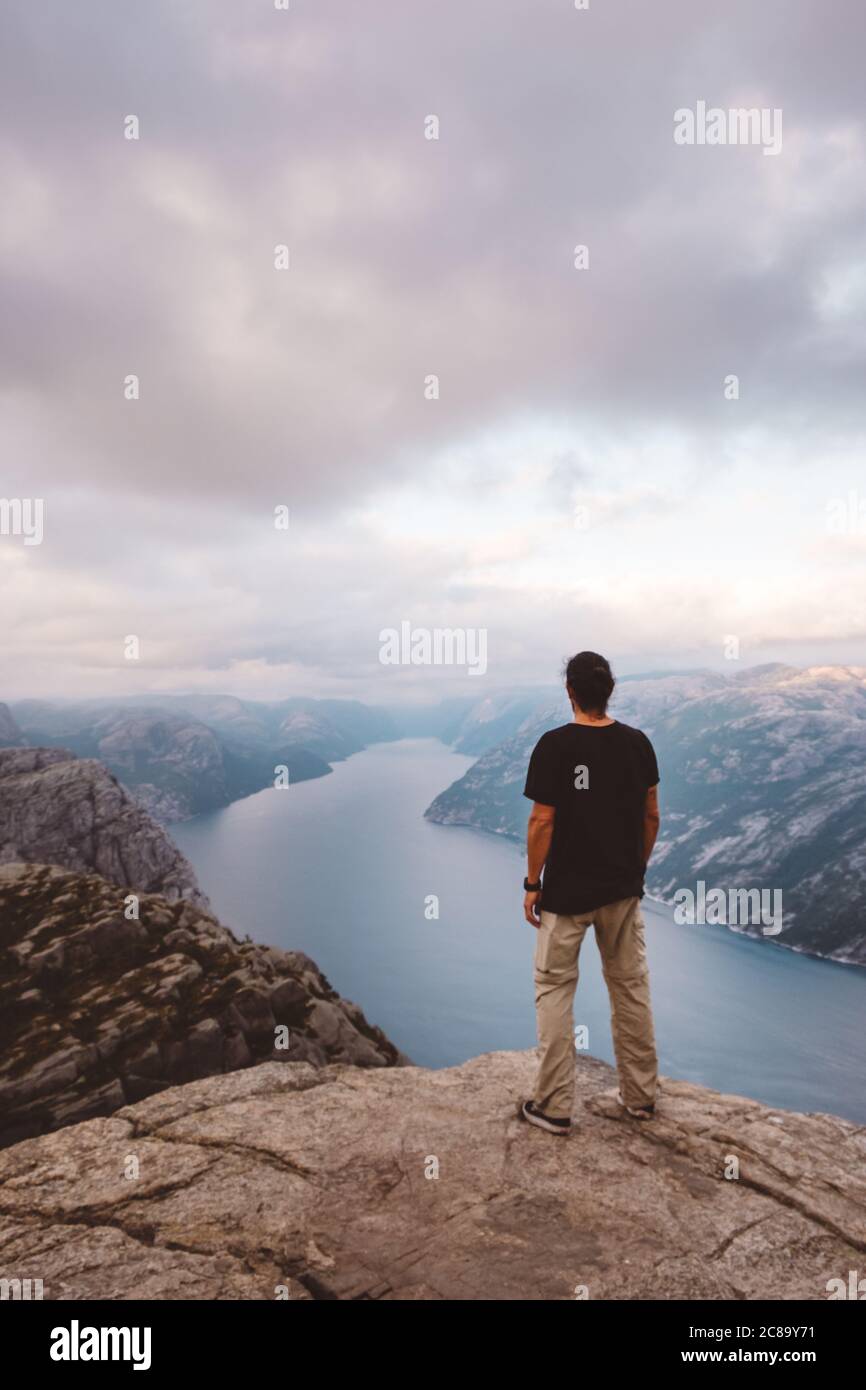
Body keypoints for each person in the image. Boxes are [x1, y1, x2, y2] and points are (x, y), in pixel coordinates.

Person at [519, 651, 660, 1136]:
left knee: (556, 987)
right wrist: (634, 868)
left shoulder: (555, 746)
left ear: (570, 692)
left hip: (567, 893)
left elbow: (542, 820)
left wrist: (532, 883)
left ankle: (554, 1106)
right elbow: (651, 815)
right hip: (622, 890)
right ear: (610, 690)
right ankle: (641, 1098)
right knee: (630, 986)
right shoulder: (638, 744)